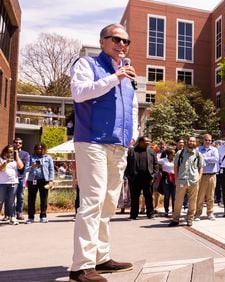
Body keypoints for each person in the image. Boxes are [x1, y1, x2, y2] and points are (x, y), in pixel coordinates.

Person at [70, 23, 138, 281]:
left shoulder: (127, 72)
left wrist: (133, 135)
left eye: (126, 41)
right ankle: (81, 266)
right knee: (92, 202)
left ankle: (101, 258)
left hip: (118, 145)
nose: (122, 45)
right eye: (116, 39)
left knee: (109, 203)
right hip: (92, 141)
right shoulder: (86, 65)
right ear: (102, 41)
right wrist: (114, 78)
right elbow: (79, 94)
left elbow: (131, 106)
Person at [169, 137, 205, 227]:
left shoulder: (198, 154)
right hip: (182, 180)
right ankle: (175, 219)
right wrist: (176, 178)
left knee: (193, 201)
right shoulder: (180, 153)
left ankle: (190, 219)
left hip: (193, 180)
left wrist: (199, 178)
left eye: (193, 141)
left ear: (195, 142)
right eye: (190, 141)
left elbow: (201, 167)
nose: (191, 142)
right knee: (178, 201)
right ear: (187, 142)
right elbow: (176, 166)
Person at [125, 136, 159, 220]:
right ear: (140, 142)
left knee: (148, 196)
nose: (148, 143)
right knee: (134, 197)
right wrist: (128, 175)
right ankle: (133, 215)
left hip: (147, 178)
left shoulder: (151, 151)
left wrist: (153, 175)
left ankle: (150, 214)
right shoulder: (131, 151)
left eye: (148, 142)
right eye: (146, 142)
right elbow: (126, 164)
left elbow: (156, 164)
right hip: (134, 178)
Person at [195, 134, 219, 221]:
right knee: (200, 196)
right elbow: (197, 160)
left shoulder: (214, 149)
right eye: (206, 140)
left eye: (209, 140)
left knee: (211, 196)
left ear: (211, 141)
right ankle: (198, 214)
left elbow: (216, 159)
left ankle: (210, 213)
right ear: (203, 140)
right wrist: (208, 159)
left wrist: (204, 158)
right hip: (201, 176)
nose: (208, 141)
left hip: (212, 175)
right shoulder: (198, 149)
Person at [0, 145, 24, 225]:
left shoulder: (15, 160)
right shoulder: (1, 159)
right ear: (5, 151)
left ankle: (12, 217)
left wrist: (16, 155)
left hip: (13, 182)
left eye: (12, 151)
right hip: (2, 183)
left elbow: (20, 167)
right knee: (0, 201)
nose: (10, 153)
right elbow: (1, 169)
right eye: (9, 151)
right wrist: (6, 162)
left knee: (11, 201)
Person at [12, 137, 30, 220]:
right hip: (10, 178)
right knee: (10, 197)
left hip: (20, 178)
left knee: (20, 196)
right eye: (16, 142)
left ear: (21, 144)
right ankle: (9, 214)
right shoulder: (9, 152)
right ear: (13, 143)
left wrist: (16, 154)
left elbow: (22, 167)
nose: (18, 144)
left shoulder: (25, 154)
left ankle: (19, 213)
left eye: (19, 143)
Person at [159, 148, 175, 217]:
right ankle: (166, 211)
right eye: (172, 154)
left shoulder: (175, 160)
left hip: (174, 179)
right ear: (168, 154)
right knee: (167, 196)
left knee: (174, 196)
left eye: (174, 154)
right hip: (166, 179)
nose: (174, 155)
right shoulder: (163, 160)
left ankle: (174, 210)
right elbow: (155, 162)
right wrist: (160, 170)